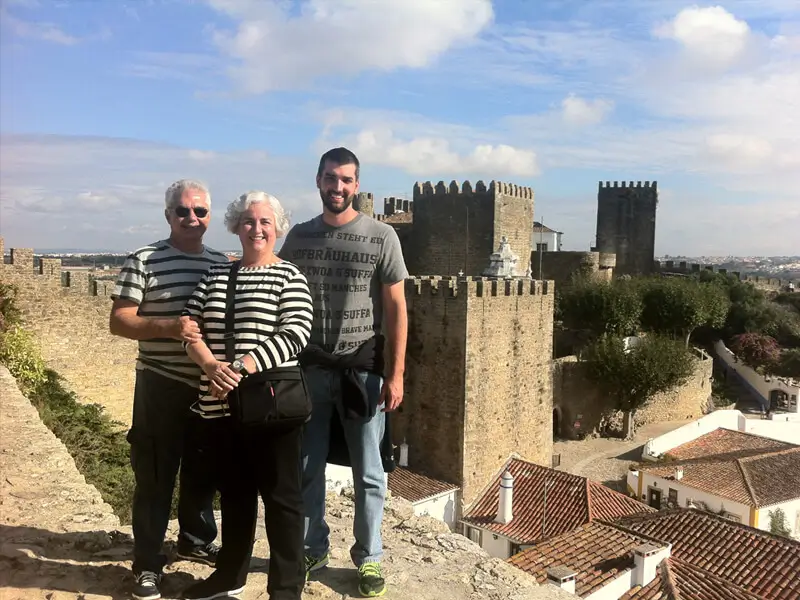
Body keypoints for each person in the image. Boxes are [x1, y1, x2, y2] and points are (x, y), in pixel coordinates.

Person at [278, 147, 408, 598]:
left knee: (370, 471)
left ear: (357, 185)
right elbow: (280, 294)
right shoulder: (298, 238)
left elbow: (396, 308)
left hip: (363, 371)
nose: (338, 187)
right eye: (331, 178)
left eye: (346, 180)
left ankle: (369, 558)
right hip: (310, 367)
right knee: (307, 466)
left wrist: (397, 375)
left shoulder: (382, 236)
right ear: (318, 180)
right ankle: (314, 548)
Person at [180, 191, 313, 600]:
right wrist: (210, 366)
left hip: (270, 406)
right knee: (235, 496)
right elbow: (189, 325)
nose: (257, 229)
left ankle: (286, 587)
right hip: (220, 406)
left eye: (265, 222)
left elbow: (295, 334)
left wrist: (239, 367)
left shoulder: (290, 276)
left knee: (282, 500)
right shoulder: (216, 275)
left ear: (277, 229)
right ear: (236, 226)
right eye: (249, 221)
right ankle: (230, 575)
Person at [110, 180, 228, 600]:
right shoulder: (143, 260)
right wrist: (169, 327)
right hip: (159, 384)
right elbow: (120, 321)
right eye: (183, 211)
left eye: (200, 211)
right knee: (155, 476)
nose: (192, 218)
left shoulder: (220, 262)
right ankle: (146, 562)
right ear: (168, 216)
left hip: (205, 388)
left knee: (202, 473)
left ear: (210, 216)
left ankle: (195, 540)